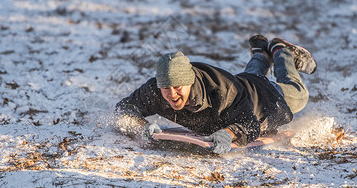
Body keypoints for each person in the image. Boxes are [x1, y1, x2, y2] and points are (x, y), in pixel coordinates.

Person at [115, 35, 316, 154]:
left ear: (190, 81)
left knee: (299, 94)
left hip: (265, 98)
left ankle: (281, 50)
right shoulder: (155, 90)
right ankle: (261, 54)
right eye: (166, 88)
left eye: (178, 87)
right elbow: (124, 108)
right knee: (248, 77)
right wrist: (141, 126)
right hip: (242, 83)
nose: (172, 94)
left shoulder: (221, 93)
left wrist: (228, 133)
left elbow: (250, 124)